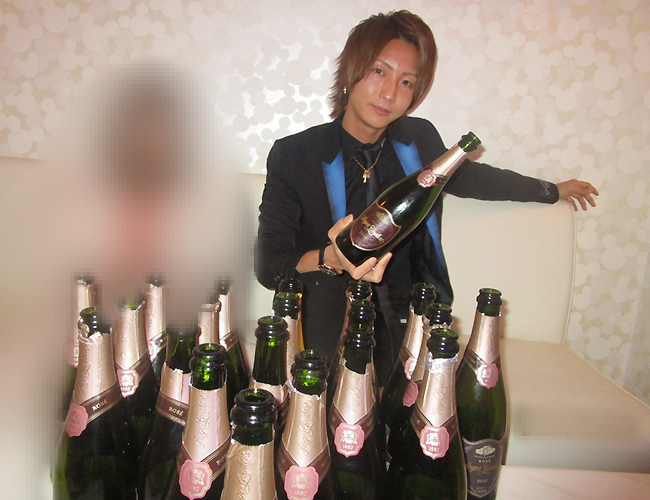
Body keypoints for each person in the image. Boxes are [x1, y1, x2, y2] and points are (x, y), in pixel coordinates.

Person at [255, 10, 598, 384]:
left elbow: (473, 178)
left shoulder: (417, 141)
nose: (390, 93)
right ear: (352, 72)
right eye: (379, 71)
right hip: (332, 323)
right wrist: (329, 259)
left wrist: (551, 190)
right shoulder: (296, 154)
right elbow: (269, 264)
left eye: (406, 82)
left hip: (413, 319)